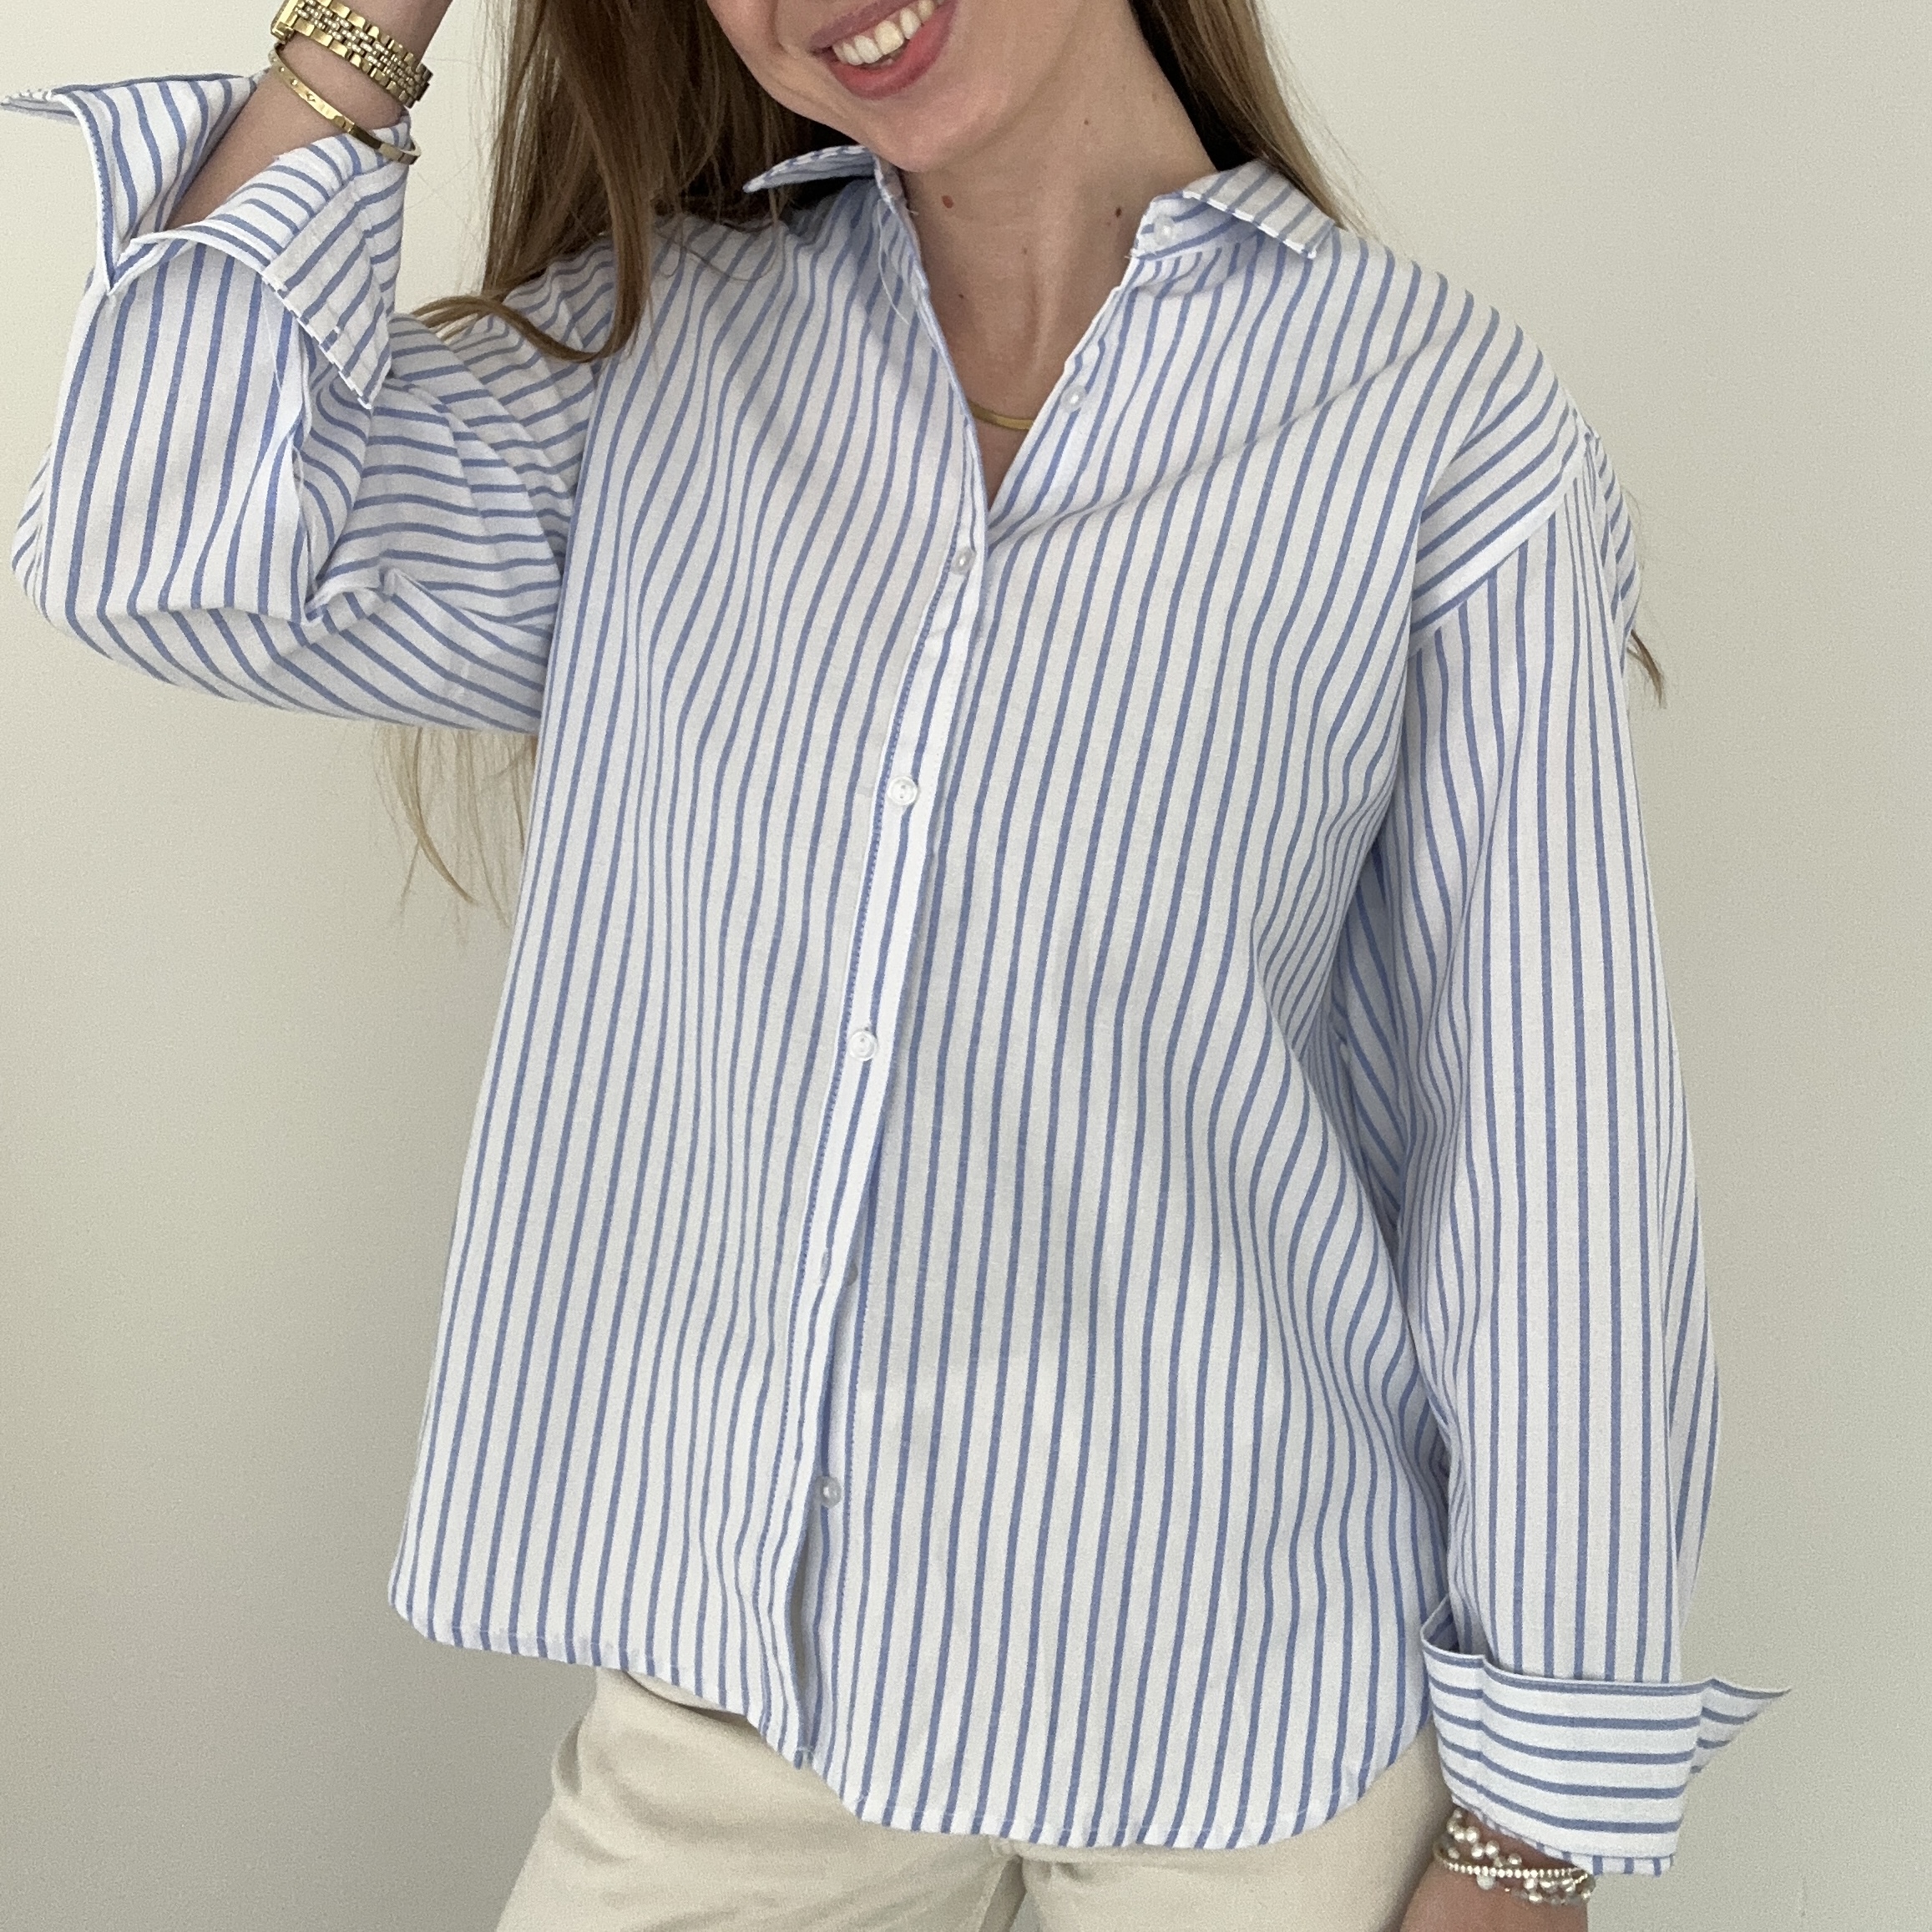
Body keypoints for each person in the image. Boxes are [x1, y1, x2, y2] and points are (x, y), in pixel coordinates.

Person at [6, 0, 1782, 1926]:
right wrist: (365, 27)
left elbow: (1547, 1154)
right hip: (751, 1702)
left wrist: (1531, 1827)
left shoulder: (1434, 422)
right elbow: (157, 548)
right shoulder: (649, 363)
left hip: (1250, 1704)